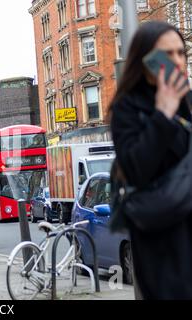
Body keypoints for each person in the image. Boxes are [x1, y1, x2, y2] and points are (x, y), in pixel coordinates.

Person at [110, 21, 192, 299]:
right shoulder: (127, 108)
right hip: (162, 239)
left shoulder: (186, 102)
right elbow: (136, 169)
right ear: (145, 59)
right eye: (167, 54)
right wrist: (163, 114)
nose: (177, 61)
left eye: (181, 53)